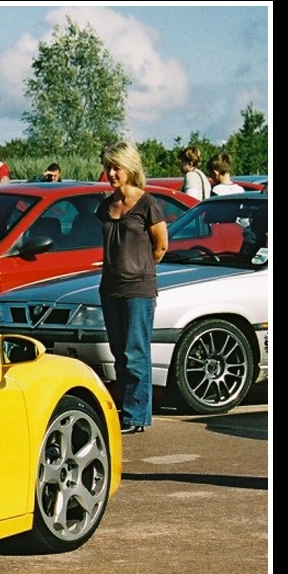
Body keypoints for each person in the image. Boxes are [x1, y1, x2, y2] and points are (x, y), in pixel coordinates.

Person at [95, 141, 167, 435]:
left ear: (130, 168)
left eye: (116, 167)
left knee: (136, 352)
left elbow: (160, 246)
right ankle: (127, 407)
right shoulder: (105, 205)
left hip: (138, 289)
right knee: (119, 352)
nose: (111, 173)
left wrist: (140, 270)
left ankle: (137, 415)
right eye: (108, 167)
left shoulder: (147, 204)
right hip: (110, 288)